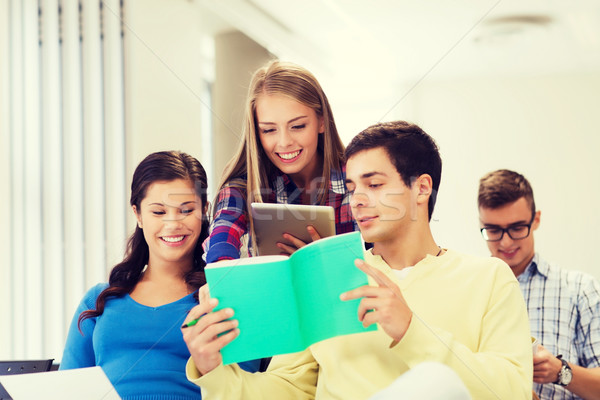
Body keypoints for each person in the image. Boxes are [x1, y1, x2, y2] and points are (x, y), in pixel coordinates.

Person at [182, 121, 533, 399]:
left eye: (375, 185)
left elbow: (512, 392)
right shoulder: (329, 277)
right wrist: (213, 369)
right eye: (351, 188)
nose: (358, 200)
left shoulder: (489, 278)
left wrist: (410, 329)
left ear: (422, 188)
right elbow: (287, 390)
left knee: (435, 383)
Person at [60, 151, 261, 399]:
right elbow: (65, 389)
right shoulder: (98, 301)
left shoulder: (225, 296)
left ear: (204, 210)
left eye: (186, 210)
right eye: (158, 212)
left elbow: (246, 389)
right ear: (138, 214)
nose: (173, 223)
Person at [203, 59, 355, 263]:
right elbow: (224, 234)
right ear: (257, 132)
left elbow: (382, 261)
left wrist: (323, 263)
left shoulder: (356, 179)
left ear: (321, 121)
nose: (284, 142)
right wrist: (221, 269)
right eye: (269, 130)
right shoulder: (242, 187)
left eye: (298, 126)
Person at [478, 169, 600, 400]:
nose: (505, 241)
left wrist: (561, 372)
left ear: (536, 219)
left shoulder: (581, 290)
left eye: (516, 228)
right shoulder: (470, 290)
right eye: (493, 230)